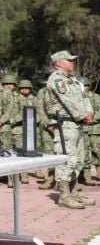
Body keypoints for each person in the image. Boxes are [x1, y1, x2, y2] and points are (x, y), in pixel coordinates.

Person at [42, 51, 94, 209]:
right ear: (58, 63)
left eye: (73, 60)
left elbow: (84, 97)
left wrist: (89, 112)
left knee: (78, 160)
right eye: (69, 60)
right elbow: (67, 101)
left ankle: (74, 194)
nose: (73, 62)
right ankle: (64, 196)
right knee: (68, 160)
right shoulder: (57, 79)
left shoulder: (72, 80)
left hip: (76, 124)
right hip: (66, 124)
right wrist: (82, 115)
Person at [80, 77, 100, 186]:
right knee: (84, 154)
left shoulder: (96, 97)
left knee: (97, 152)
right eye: (83, 86)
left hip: (95, 129)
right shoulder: (78, 98)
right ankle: (86, 177)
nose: (85, 88)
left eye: (86, 85)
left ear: (89, 86)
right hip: (82, 129)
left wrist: (92, 118)